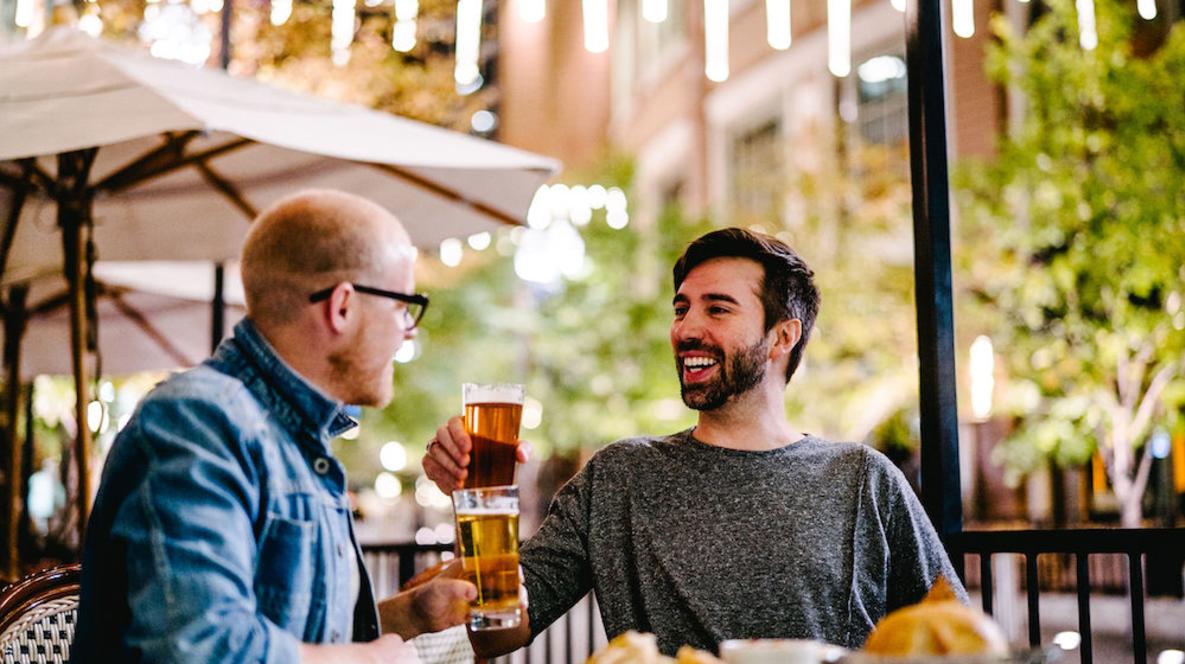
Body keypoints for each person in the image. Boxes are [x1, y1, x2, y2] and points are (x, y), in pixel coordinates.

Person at [423, 228, 967, 656]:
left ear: (782, 336)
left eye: (717, 308)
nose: (685, 329)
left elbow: (958, 637)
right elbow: (494, 633)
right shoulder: (620, 477)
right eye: (681, 308)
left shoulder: (862, 479)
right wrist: (478, 498)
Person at [73, 190, 474, 663]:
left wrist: (412, 615)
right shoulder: (196, 422)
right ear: (342, 307)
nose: (409, 332)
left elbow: (290, 631)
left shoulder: (294, 438)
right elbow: (197, 650)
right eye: (404, 307)